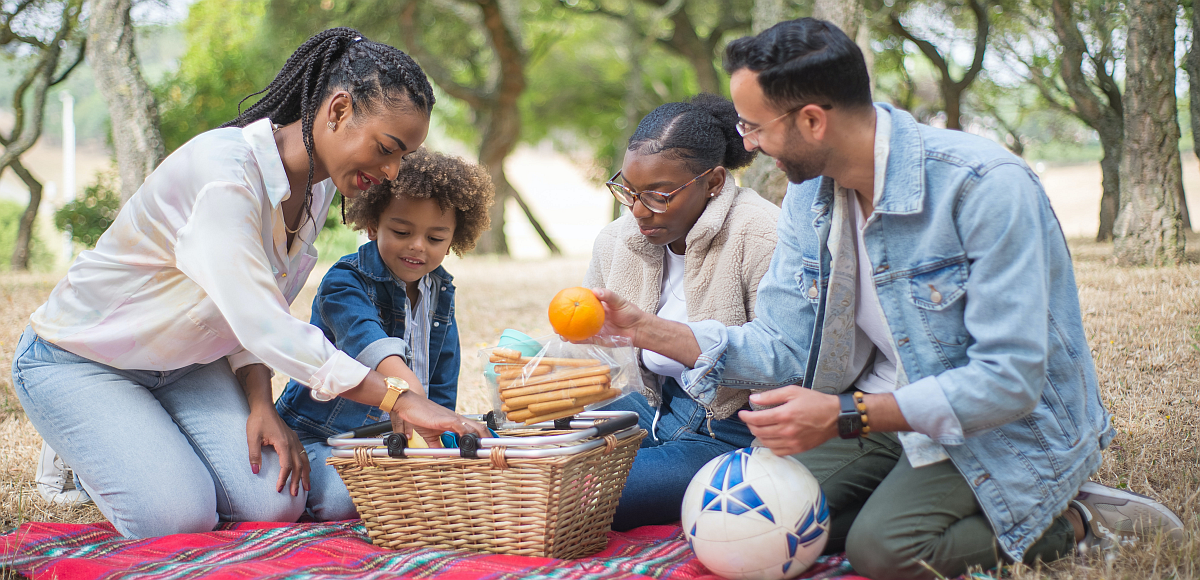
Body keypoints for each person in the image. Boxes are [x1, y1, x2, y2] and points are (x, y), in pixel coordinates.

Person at [589, 18, 1184, 580]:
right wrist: (643, 328)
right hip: (875, 416)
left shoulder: (985, 187)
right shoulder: (810, 198)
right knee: (742, 524)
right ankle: (912, 492)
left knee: (885, 549)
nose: (746, 142)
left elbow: (1010, 379)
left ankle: (1076, 519)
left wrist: (847, 415)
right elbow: (783, 347)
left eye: (754, 126)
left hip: (992, 425)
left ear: (813, 121)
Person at [10, 28, 488, 539]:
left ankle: (145, 445)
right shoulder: (225, 177)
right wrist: (397, 398)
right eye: (387, 149)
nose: (393, 172)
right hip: (84, 357)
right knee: (178, 519)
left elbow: (254, 307)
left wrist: (260, 402)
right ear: (339, 109)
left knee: (275, 503)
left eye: (402, 157)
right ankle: (88, 449)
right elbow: (265, 324)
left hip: (185, 365)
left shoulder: (318, 187)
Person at [585, 93, 779, 530]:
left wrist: (647, 331)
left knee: (586, 491)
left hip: (733, 432)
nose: (637, 211)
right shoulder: (618, 241)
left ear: (712, 182)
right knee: (524, 451)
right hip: (653, 407)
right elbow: (598, 352)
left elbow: (786, 360)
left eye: (658, 195)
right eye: (629, 192)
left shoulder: (760, 234)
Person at [275, 148, 494, 521]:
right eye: (401, 231)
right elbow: (370, 346)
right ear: (374, 222)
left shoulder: (441, 292)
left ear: (455, 237)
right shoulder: (344, 282)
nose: (418, 246)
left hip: (389, 440)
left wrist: (442, 434)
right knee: (347, 501)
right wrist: (415, 400)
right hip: (321, 436)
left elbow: (442, 374)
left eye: (436, 237)